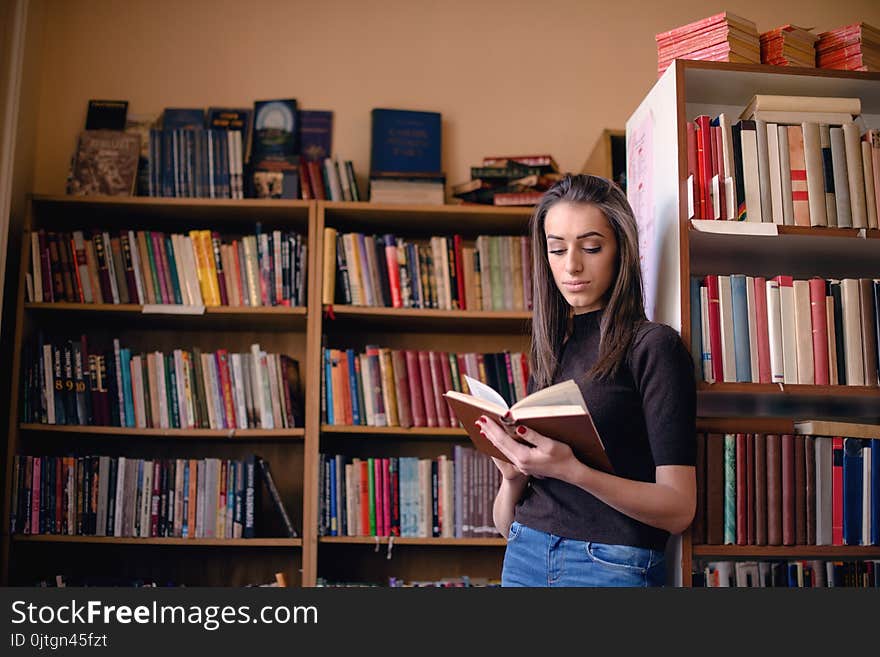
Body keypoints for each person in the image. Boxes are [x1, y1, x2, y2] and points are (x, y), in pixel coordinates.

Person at [477, 174, 696, 587]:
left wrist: (573, 471)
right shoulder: (551, 349)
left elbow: (679, 508)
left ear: (620, 251)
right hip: (524, 554)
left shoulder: (652, 347)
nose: (571, 265)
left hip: (609, 565)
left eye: (591, 247)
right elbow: (506, 525)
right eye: (557, 249)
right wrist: (512, 475)